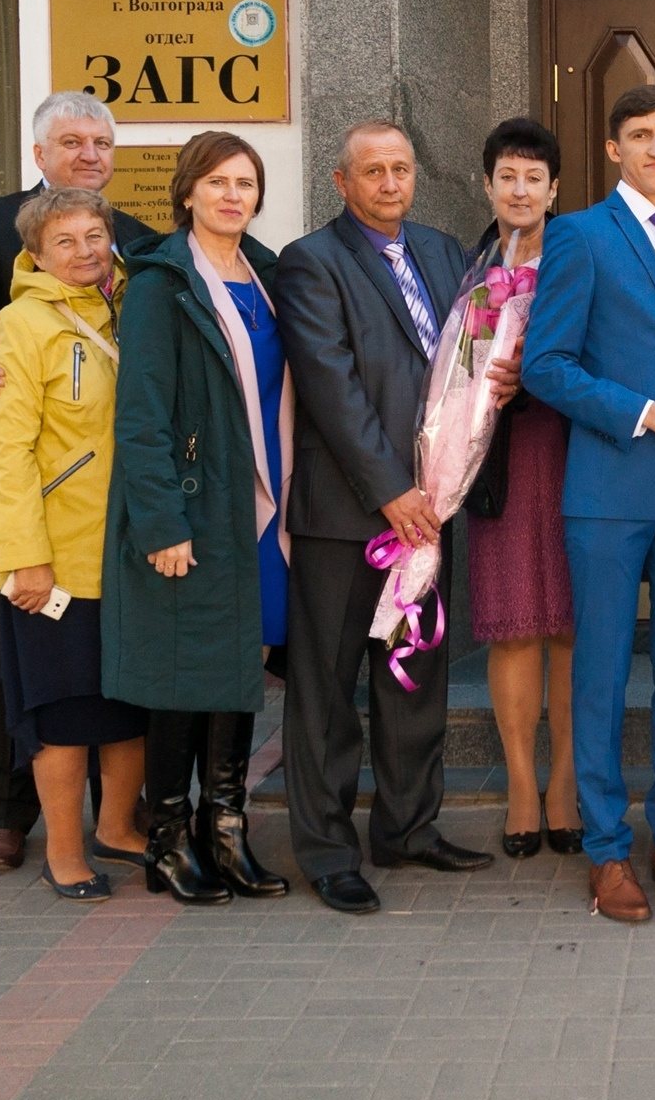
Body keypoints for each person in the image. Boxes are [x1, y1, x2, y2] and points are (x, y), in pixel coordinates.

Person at [0, 92, 155, 874]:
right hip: (27, 475)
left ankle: (115, 814)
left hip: (114, 505)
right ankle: (10, 809)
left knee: (107, 663)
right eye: (71, 141)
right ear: (39, 154)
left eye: (101, 142)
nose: (88, 153)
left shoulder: (131, 244)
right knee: (18, 660)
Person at [274, 122, 494, 917]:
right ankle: (329, 851)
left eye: (401, 167)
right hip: (350, 516)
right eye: (373, 171)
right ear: (342, 181)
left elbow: (466, 361)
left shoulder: (442, 251)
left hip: (434, 508)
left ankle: (408, 828)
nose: (390, 182)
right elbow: (331, 386)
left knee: (415, 673)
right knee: (329, 688)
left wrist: (449, 477)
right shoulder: (312, 263)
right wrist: (390, 492)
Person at [521, 85, 655, 925]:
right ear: (614, 149)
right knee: (603, 673)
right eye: (639, 134)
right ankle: (607, 849)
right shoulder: (577, 235)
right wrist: (643, 413)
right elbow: (547, 364)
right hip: (610, 488)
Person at [103, 131, 294, 907]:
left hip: (265, 499)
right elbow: (140, 415)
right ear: (187, 192)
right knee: (183, 672)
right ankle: (170, 839)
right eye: (216, 182)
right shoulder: (160, 283)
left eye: (245, 183)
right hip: (196, 500)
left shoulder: (270, 275)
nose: (231, 196)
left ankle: (227, 830)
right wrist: (161, 522)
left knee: (236, 669)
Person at [0, 187, 148, 900]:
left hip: (130, 549)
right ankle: (67, 851)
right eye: (65, 242)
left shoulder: (132, 304)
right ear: (37, 255)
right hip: (59, 555)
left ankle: (116, 827)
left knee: (130, 704)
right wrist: (23, 558)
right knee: (64, 712)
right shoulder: (21, 326)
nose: (84, 252)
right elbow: (5, 450)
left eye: (94, 236)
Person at [462, 118, 584, 861]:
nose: (519, 189)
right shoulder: (465, 264)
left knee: (570, 622)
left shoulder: (581, 255)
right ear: (488, 185)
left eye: (533, 178)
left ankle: (565, 783)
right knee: (513, 621)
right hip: (498, 456)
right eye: (507, 176)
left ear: (554, 189)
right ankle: (518, 786)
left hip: (572, 450)